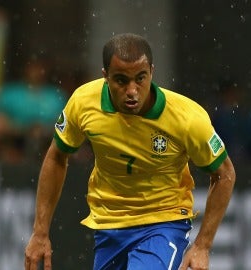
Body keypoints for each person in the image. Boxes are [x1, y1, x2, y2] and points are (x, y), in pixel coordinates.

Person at [24, 33, 236, 270]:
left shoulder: (187, 118)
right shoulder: (83, 103)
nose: (132, 90)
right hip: (109, 225)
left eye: (140, 78)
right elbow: (56, 156)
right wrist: (40, 232)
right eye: (121, 80)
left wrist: (202, 246)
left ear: (152, 72)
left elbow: (225, 173)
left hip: (163, 223)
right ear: (105, 76)